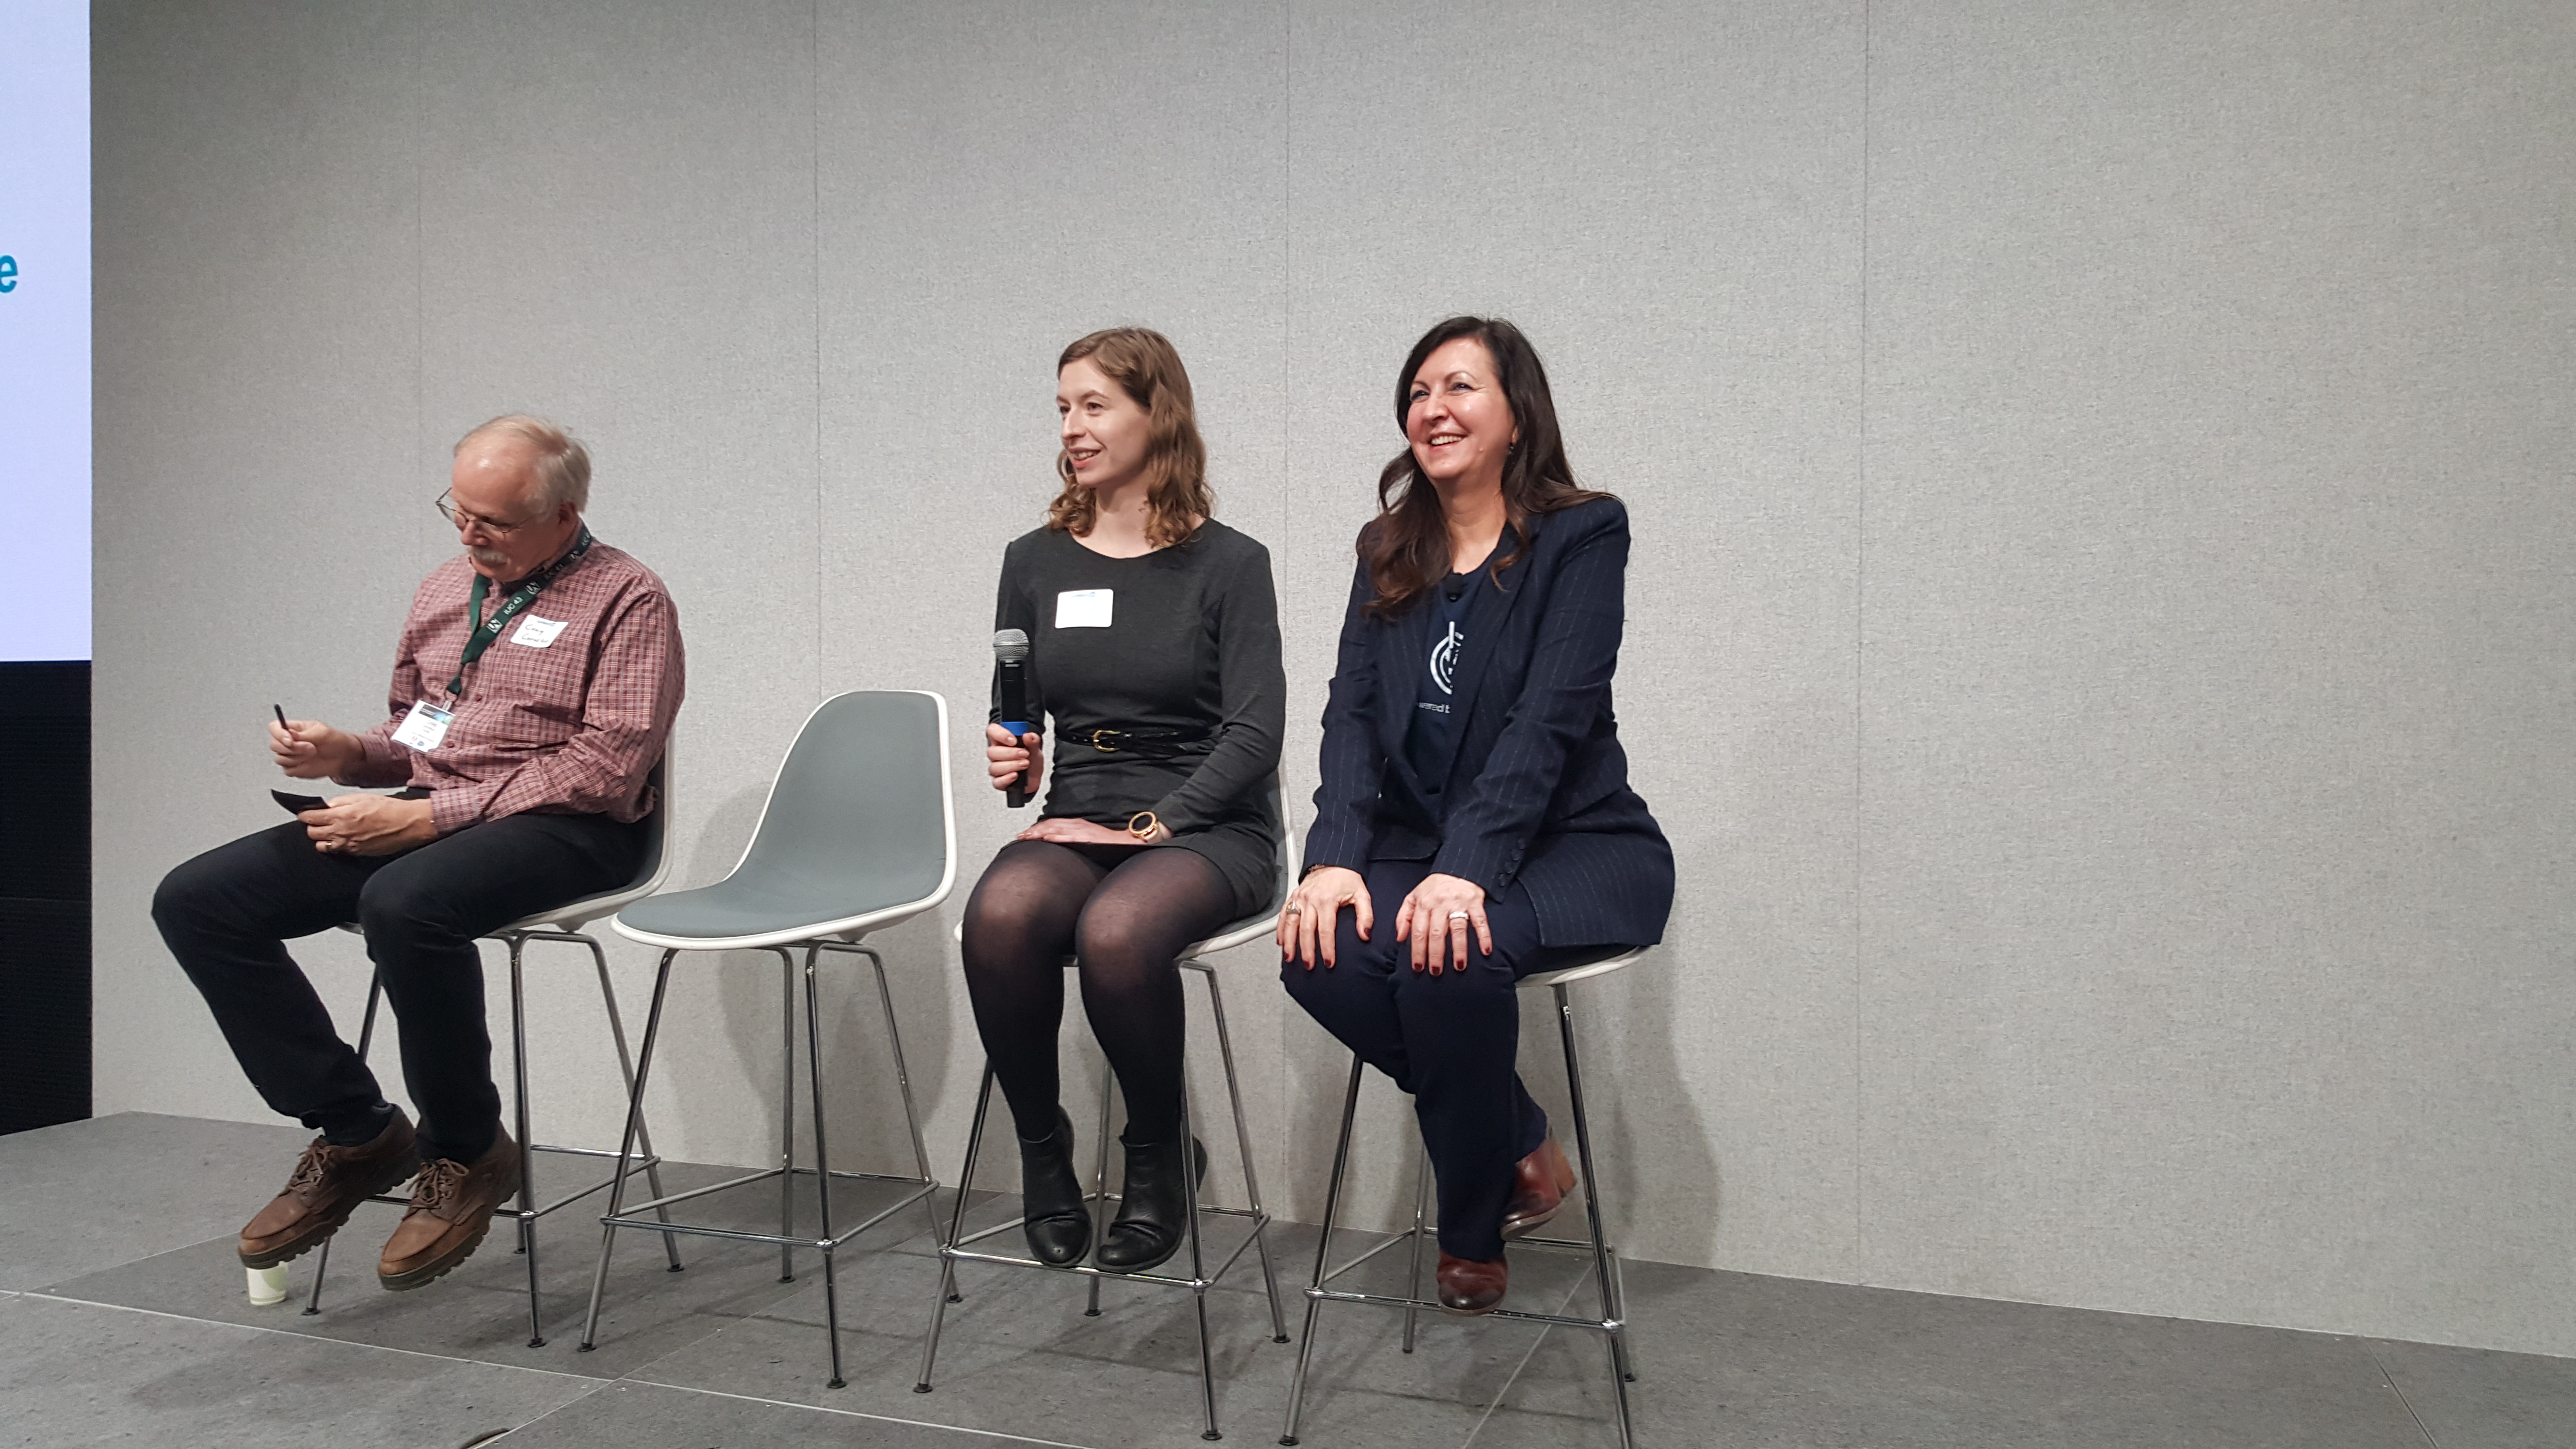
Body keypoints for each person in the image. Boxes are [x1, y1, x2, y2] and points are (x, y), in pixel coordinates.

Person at [152, 416, 684, 1293]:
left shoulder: (629, 598)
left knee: (404, 903)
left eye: (496, 522)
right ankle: (357, 1129)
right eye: (459, 513)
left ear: (564, 514)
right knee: (199, 900)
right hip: (440, 812)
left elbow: (605, 768)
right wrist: (350, 754)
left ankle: (468, 1151)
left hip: (576, 826)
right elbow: (419, 732)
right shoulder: (446, 588)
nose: (471, 536)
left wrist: (431, 821)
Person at [1279, 317, 1673, 1315]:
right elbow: (1351, 714)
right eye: (1418, 393)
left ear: (1516, 414)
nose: (1434, 409)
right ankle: (1521, 1141)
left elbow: (1550, 718)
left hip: (1574, 839)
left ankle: (1469, 1235)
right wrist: (1333, 856)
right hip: (1426, 842)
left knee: (1446, 955)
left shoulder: (1583, 534)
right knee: (1317, 951)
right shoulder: (1387, 549)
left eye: (1459, 387)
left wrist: (1467, 869)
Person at [962, 327, 1284, 1273]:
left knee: (1115, 930)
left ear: (1158, 415)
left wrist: (1152, 825)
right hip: (1079, 809)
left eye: (1095, 406)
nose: (1072, 427)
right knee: (1001, 915)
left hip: (1207, 823)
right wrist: (1014, 758)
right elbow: (1018, 715)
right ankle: (1042, 1149)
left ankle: (1157, 1154)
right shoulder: (1034, 561)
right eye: (1063, 408)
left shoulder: (1230, 564)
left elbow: (1255, 735)